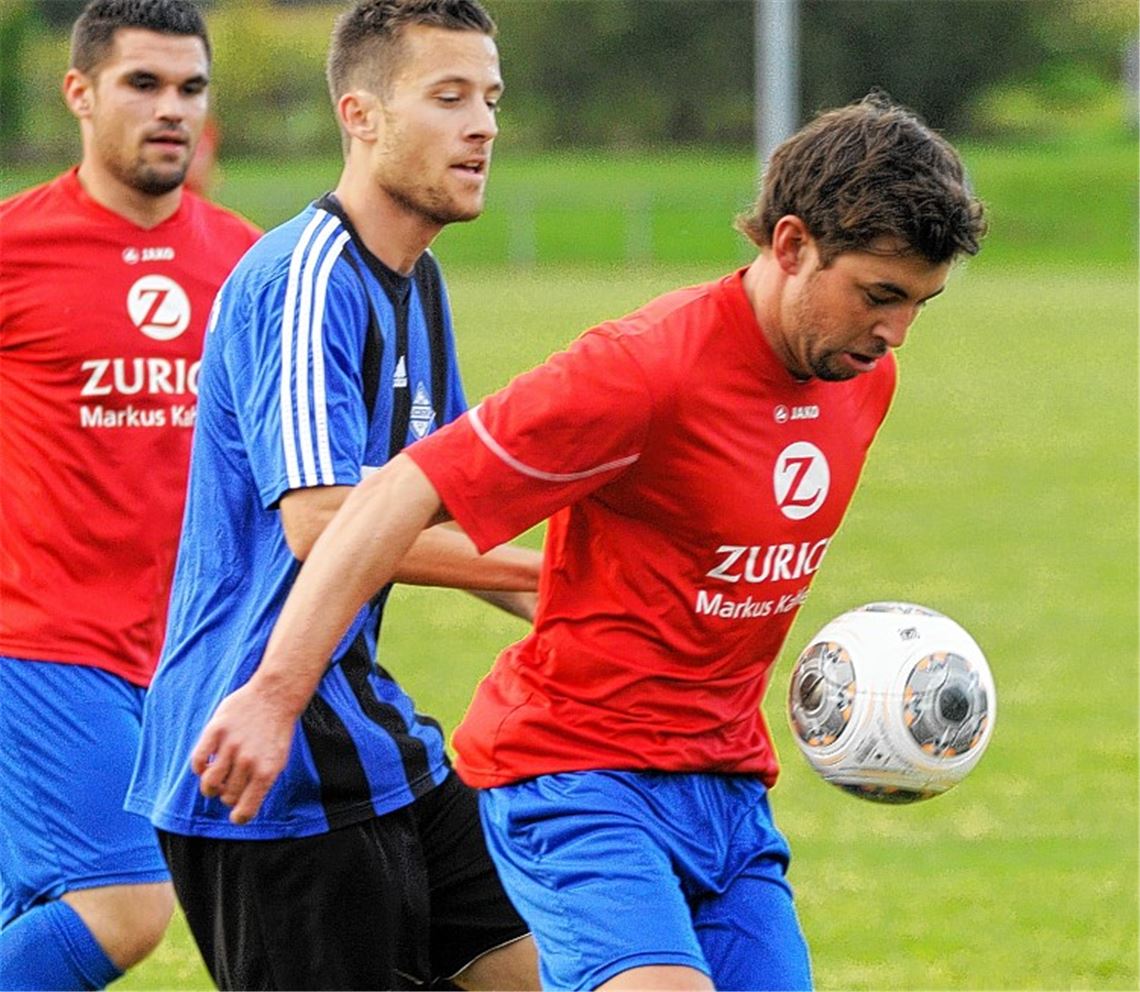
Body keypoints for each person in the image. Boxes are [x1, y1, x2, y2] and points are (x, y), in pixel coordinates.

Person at [191, 91, 988, 991]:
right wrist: (274, 693)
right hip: (578, 785)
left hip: (728, 797)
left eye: (921, 303)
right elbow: (394, 494)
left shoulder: (858, 381)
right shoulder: (642, 370)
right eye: (878, 296)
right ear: (793, 245)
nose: (895, 334)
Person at [125, 1, 540, 989]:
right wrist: (546, 571)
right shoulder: (308, 275)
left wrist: (616, 604)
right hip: (260, 763)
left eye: (490, 98)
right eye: (448, 97)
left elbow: (455, 507)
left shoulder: (420, 284)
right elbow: (322, 523)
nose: (482, 124)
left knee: (542, 967)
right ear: (360, 115)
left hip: (366, 726)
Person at [0, 2, 260, 989]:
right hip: (42, 641)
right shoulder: (14, 245)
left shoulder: (248, 261)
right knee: (125, 905)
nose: (171, 109)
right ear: (80, 93)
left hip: (195, 657)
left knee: (40, 916)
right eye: (142, 85)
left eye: (190, 88)